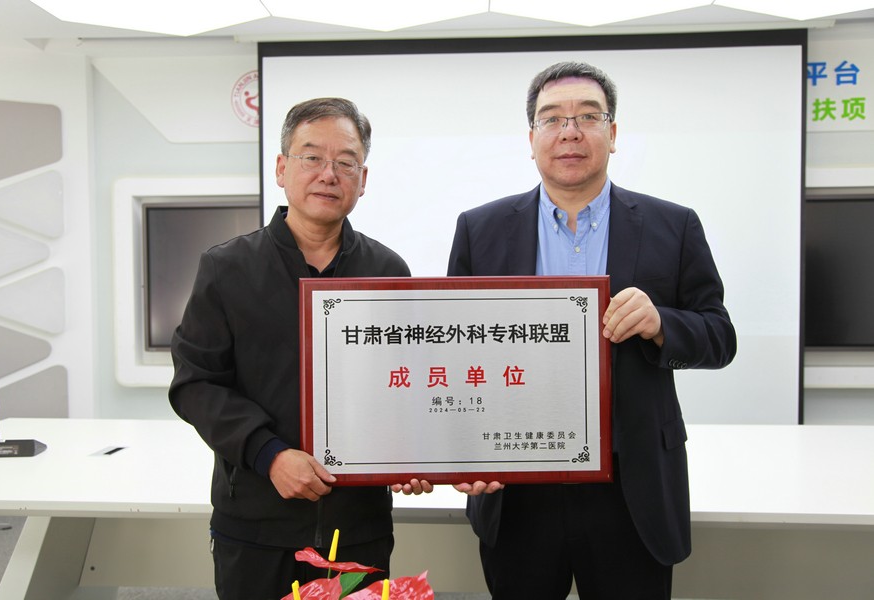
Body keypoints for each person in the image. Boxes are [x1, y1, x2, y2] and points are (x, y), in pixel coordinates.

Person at [447, 62, 737, 599]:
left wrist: (661, 323)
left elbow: (719, 337)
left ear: (613, 132)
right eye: (552, 119)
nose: (570, 132)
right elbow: (459, 351)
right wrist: (458, 450)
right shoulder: (479, 229)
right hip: (518, 485)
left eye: (587, 116)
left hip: (631, 487)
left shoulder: (673, 225)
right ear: (531, 138)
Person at [169, 97, 431, 600]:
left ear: (362, 179)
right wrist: (268, 454)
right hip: (256, 524)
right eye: (312, 157)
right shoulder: (227, 268)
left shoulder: (388, 272)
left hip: (358, 526)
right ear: (281, 168)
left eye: (346, 162)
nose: (328, 174)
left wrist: (415, 455)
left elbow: (408, 385)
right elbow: (195, 384)